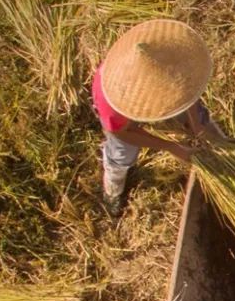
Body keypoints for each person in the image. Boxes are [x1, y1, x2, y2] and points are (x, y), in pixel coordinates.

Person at [92, 18, 225, 218]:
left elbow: (186, 91)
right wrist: (171, 147)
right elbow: (122, 132)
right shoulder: (112, 98)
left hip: (166, 77)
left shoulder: (170, 55)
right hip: (121, 117)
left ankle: (224, 151)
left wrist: (196, 125)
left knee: (201, 122)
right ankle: (113, 190)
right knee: (121, 154)